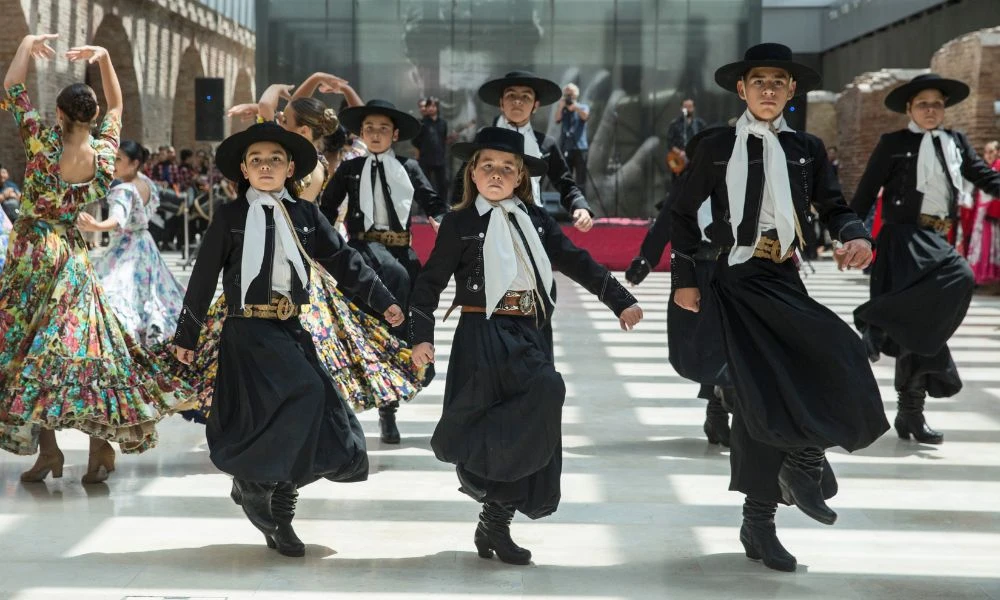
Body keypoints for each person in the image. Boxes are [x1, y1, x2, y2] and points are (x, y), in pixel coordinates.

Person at [671, 43, 888, 572]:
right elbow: (680, 211)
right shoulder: (716, 144)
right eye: (758, 81)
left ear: (791, 92)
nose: (768, 89)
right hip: (730, 278)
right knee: (761, 401)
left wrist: (855, 234)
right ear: (741, 89)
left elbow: (834, 205)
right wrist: (684, 279)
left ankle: (805, 460)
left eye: (778, 82)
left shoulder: (806, 149)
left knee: (841, 352)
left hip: (782, 275)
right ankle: (761, 521)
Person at [409, 127, 643, 565]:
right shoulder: (460, 223)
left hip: (531, 330)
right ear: (472, 174)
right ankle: (493, 512)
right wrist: (421, 337)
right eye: (487, 167)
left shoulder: (535, 220)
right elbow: (429, 283)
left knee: (532, 410)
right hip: (482, 333)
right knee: (523, 404)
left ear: (520, 177)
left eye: (507, 169)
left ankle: (494, 519)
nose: (496, 175)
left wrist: (618, 297)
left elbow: (575, 260)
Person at [170, 121, 404, 557]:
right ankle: (261, 491)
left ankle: (276, 504)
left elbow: (342, 258)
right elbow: (203, 278)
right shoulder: (231, 216)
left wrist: (382, 298)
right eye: (256, 160)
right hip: (246, 331)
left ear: (290, 166)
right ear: (243, 168)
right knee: (296, 399)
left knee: (321, 414)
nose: (265, 166)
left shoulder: (305, 214)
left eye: (274, 159)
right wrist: (188, 332)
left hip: (291, 326)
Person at [0, 33, 192, 484]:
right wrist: (105, 58)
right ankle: (96, 447)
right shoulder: (105, 154)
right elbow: (118, 106)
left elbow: (12, 89)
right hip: (73, 254)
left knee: (30, 351)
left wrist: (27, 43)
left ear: (60, 114)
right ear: (91, 116)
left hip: (33, 255)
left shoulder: (43, 144)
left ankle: (52, 451)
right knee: (83, 349)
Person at [851, 74, 1000, 444]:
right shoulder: (894, 143)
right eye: (923, 104)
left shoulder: (956, 142)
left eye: (937, 104)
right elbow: (867, 191)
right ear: (909, 108)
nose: (931, 110)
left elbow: (981, 175)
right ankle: (874, 319)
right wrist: (850, 234)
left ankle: (910, 414)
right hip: (904, 238)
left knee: (920, 331)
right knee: (961, 275)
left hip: (938, 235)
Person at [320, 98, 448, 444]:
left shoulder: (407, 165)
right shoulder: (350, 169)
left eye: (382, 129)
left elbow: (432, 200)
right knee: (363, 332)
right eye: (369, 129)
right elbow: (326, 210)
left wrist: (444, 222)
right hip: (362, 253)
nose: (375, 135)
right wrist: (325, 248)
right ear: (361, 134)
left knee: (406, 323)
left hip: (400, 251)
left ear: (394, 134)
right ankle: (356, 407)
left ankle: (390, 405)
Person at [626, 126, 733, 446]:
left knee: (733, 340)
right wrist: (644, 261)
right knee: (708, 340)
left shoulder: (743, 181)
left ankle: (725, 407)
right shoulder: (687, 185)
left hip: (736, 270)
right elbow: (666, 224)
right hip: (697, 271)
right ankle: (717, 407)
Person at [453, 70, 594, 233]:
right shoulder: (484, 139)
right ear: (501, 103)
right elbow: (462, 184)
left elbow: (565, 183)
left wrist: (580, 207)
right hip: (484, 226)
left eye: (526, 97)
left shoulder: (545, 144)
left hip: (533, 225)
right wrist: (454, 220)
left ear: (535, 105)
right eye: (511, 95)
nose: (518, 101)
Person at [78, 140, 184, 346]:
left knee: (115, 291)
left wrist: (96, 226)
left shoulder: (124, 189)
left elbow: (118, 218)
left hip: (128, 248)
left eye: (118, 159)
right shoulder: (146, 183)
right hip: (145, 242)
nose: (113, 163)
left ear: (134, 164)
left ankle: (123, 339)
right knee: (145, 292)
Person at [967, 141, 1000, 289]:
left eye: (991, 151)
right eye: (986, 152)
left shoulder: (998, 166)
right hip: (983, 213)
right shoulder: (990, 168)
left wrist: (994, 211)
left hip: (991, 215)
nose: (988, 155)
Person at [412, 96, 450, 199]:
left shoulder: (443, 123)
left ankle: (443, 206)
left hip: (440, 159)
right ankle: (423, 209)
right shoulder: (422, 123)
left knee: (443, 184)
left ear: (437, 108)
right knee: (424, 185)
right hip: (425, 160)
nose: (431, 108)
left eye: (433, 106)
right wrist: (418, 157)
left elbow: (443, 140)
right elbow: (415, 142)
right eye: (429, 106)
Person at [555, 83, 590, 186]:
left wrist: (576, 108)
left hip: (580, 147)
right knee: (566, 177)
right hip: (567, 147)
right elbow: (557, 119)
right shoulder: (563, 109)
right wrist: (561, 107)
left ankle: (581, 199)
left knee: (581, 178)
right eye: (566, 94)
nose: (569, 96)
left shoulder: (583, 106)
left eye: (571, 93)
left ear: (576, 95)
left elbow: (585, 117)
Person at [666, 98, 707, 178]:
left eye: (690, 106)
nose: (688, 109)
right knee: (678, 181)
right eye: (685, 106)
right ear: (681, 108)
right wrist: (680, 152)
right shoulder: (674, 124)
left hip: (694, 159)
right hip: (678, 159)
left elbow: (705, 140)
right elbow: (669, 143)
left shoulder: (700, 124)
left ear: (693, 108)